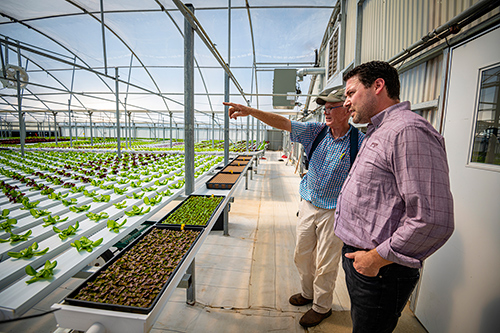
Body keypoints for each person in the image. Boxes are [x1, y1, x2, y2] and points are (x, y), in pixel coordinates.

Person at [223, 91, 364, 328]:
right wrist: (250, 111)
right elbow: (283, 123)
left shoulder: (359, 141)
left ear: (348, 109)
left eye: (332, 107)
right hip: (309, 202)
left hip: (335, 210)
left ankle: (322, 306)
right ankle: (308, 293)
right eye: (325, 108)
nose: (326, 112)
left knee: (326, 261)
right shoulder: (316, 132)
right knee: (302, 253)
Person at [335, 60, 454, 333]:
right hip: (364, 262)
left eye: (351, 93)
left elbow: (433, 219)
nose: (346, 103)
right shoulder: (379, 130)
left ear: (378, 86)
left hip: (382, 270)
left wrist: (375, 259)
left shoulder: (408, 131)